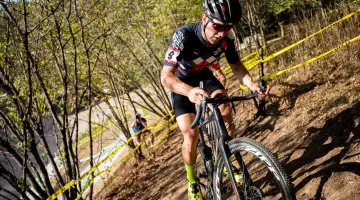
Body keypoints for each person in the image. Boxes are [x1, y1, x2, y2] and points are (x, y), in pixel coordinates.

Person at [160, 0, 269, 199]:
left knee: (225, 108)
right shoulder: (183, 35)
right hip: (181, 83)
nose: (221, 33)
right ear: (204, 19)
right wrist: (189, 91)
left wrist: (252, 85)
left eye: (227, 28)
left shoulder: (227, 40)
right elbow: (166, 77)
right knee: (191, 135)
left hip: (204, 77)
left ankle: (225, 159)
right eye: (217, 26)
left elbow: (237, 67)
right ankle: (192, 181)